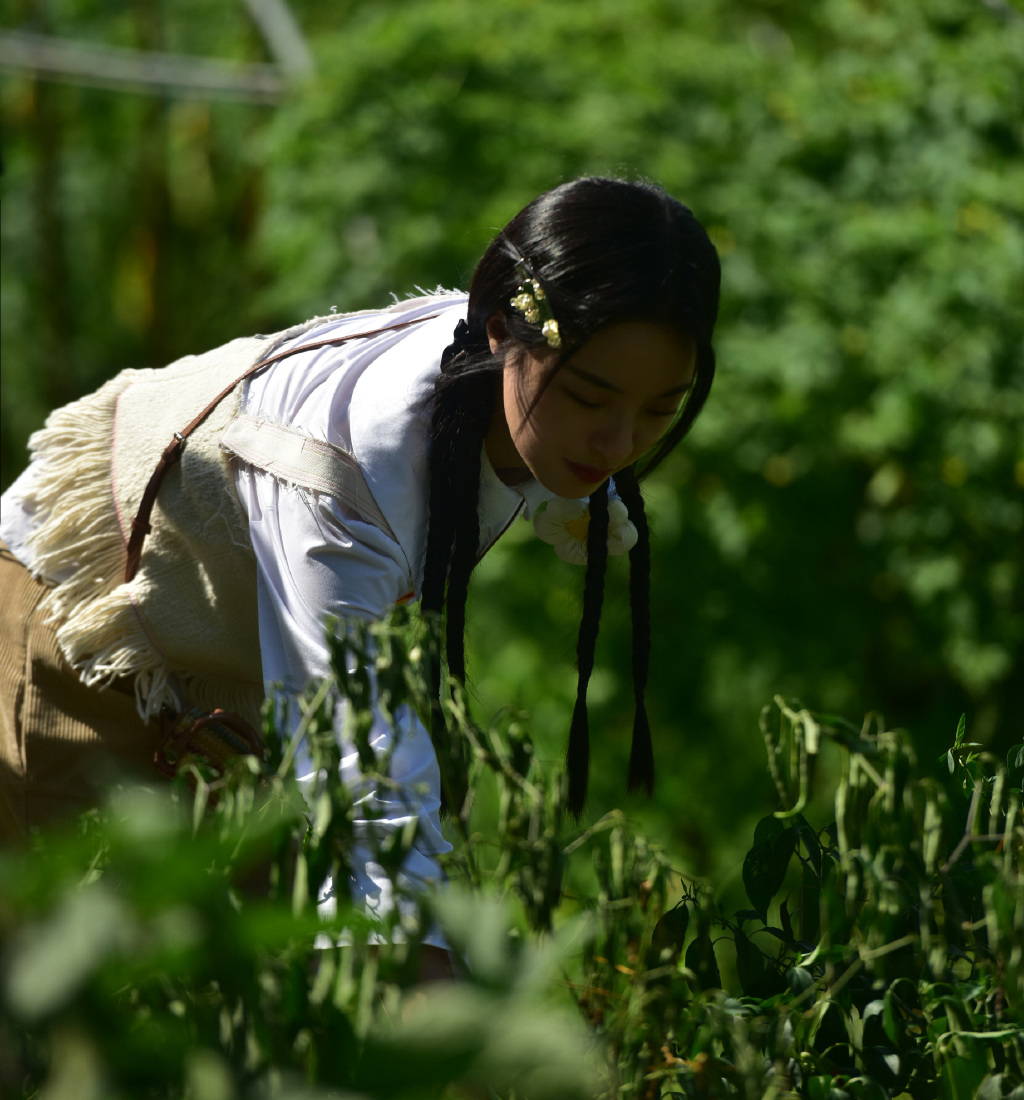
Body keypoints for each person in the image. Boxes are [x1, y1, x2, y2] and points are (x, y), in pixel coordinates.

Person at [0, 175, 720, 951]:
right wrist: (424, 974)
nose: (619, 445)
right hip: (84, 622)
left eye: (658, 410)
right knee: (90, 984)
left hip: (240, 650)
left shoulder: (500, 375)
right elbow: (352, 765)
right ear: (500, 331)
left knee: (252, 975)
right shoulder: (346, 468)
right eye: (589, 397)